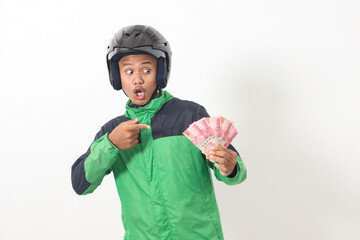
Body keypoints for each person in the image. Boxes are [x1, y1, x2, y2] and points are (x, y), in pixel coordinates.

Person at [71, 25, 247, 240]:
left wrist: (230, 167)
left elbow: (232, 173)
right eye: (128, 71)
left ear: (161, 72)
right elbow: (80, 183)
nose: (137, 79)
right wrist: (111, 145)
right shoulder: (112, 133)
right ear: (117, 77)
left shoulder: (191, 115)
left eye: (146, 70)